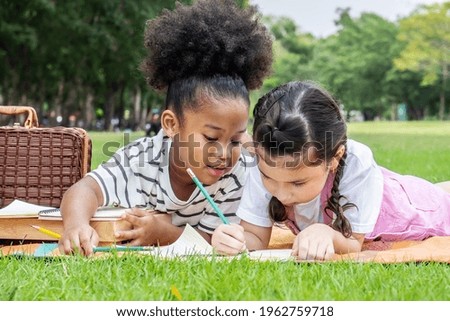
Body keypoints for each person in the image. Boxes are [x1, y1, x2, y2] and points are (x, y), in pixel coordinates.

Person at [58, 0, 273, 255]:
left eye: (236, 140)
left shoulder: (236, 176)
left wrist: (165, 233)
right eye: (211, 137)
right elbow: (85, 189)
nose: (225, 153)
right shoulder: (141, 159)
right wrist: (76, 225)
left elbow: (214, 239)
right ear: (171, 124)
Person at [212, 81, 450, 260]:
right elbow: (255, 238)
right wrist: (236, 241)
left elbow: (353, 244)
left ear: (334, 159)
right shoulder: (263, 154)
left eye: (297, 183)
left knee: (440, 203)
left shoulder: (356, 160)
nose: (282, 195)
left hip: (406, 208)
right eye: (269, 178)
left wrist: (325, 233)